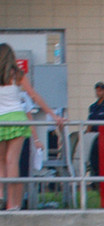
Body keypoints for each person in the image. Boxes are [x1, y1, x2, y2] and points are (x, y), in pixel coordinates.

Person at [0, 43, 63, 211]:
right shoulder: (17, 75)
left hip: (0, 120)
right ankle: (12, 203)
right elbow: (34, 95)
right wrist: (53, 114)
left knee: (0, 163)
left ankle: (0, 196)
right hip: (18, 120)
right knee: (12, 161)